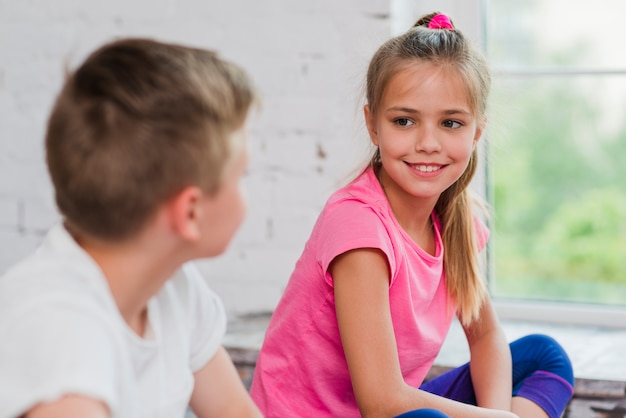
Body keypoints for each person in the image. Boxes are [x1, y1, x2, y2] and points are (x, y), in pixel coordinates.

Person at [250, 12, 574, 418]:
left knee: (544, 356)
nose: (427, 143)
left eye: (451, 123)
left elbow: (487, 336)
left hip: (394, 409)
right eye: (404, 121)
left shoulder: (457, 221)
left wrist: (495, 414)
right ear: (372, 125)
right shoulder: (358, 225)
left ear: (477, 131)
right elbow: (383, 402)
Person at [0, 38, 263, 418]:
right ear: (190, 212)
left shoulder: (174, 287)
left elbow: (234, 412)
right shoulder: (62, 340)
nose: (246, 193)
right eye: (242, 175)